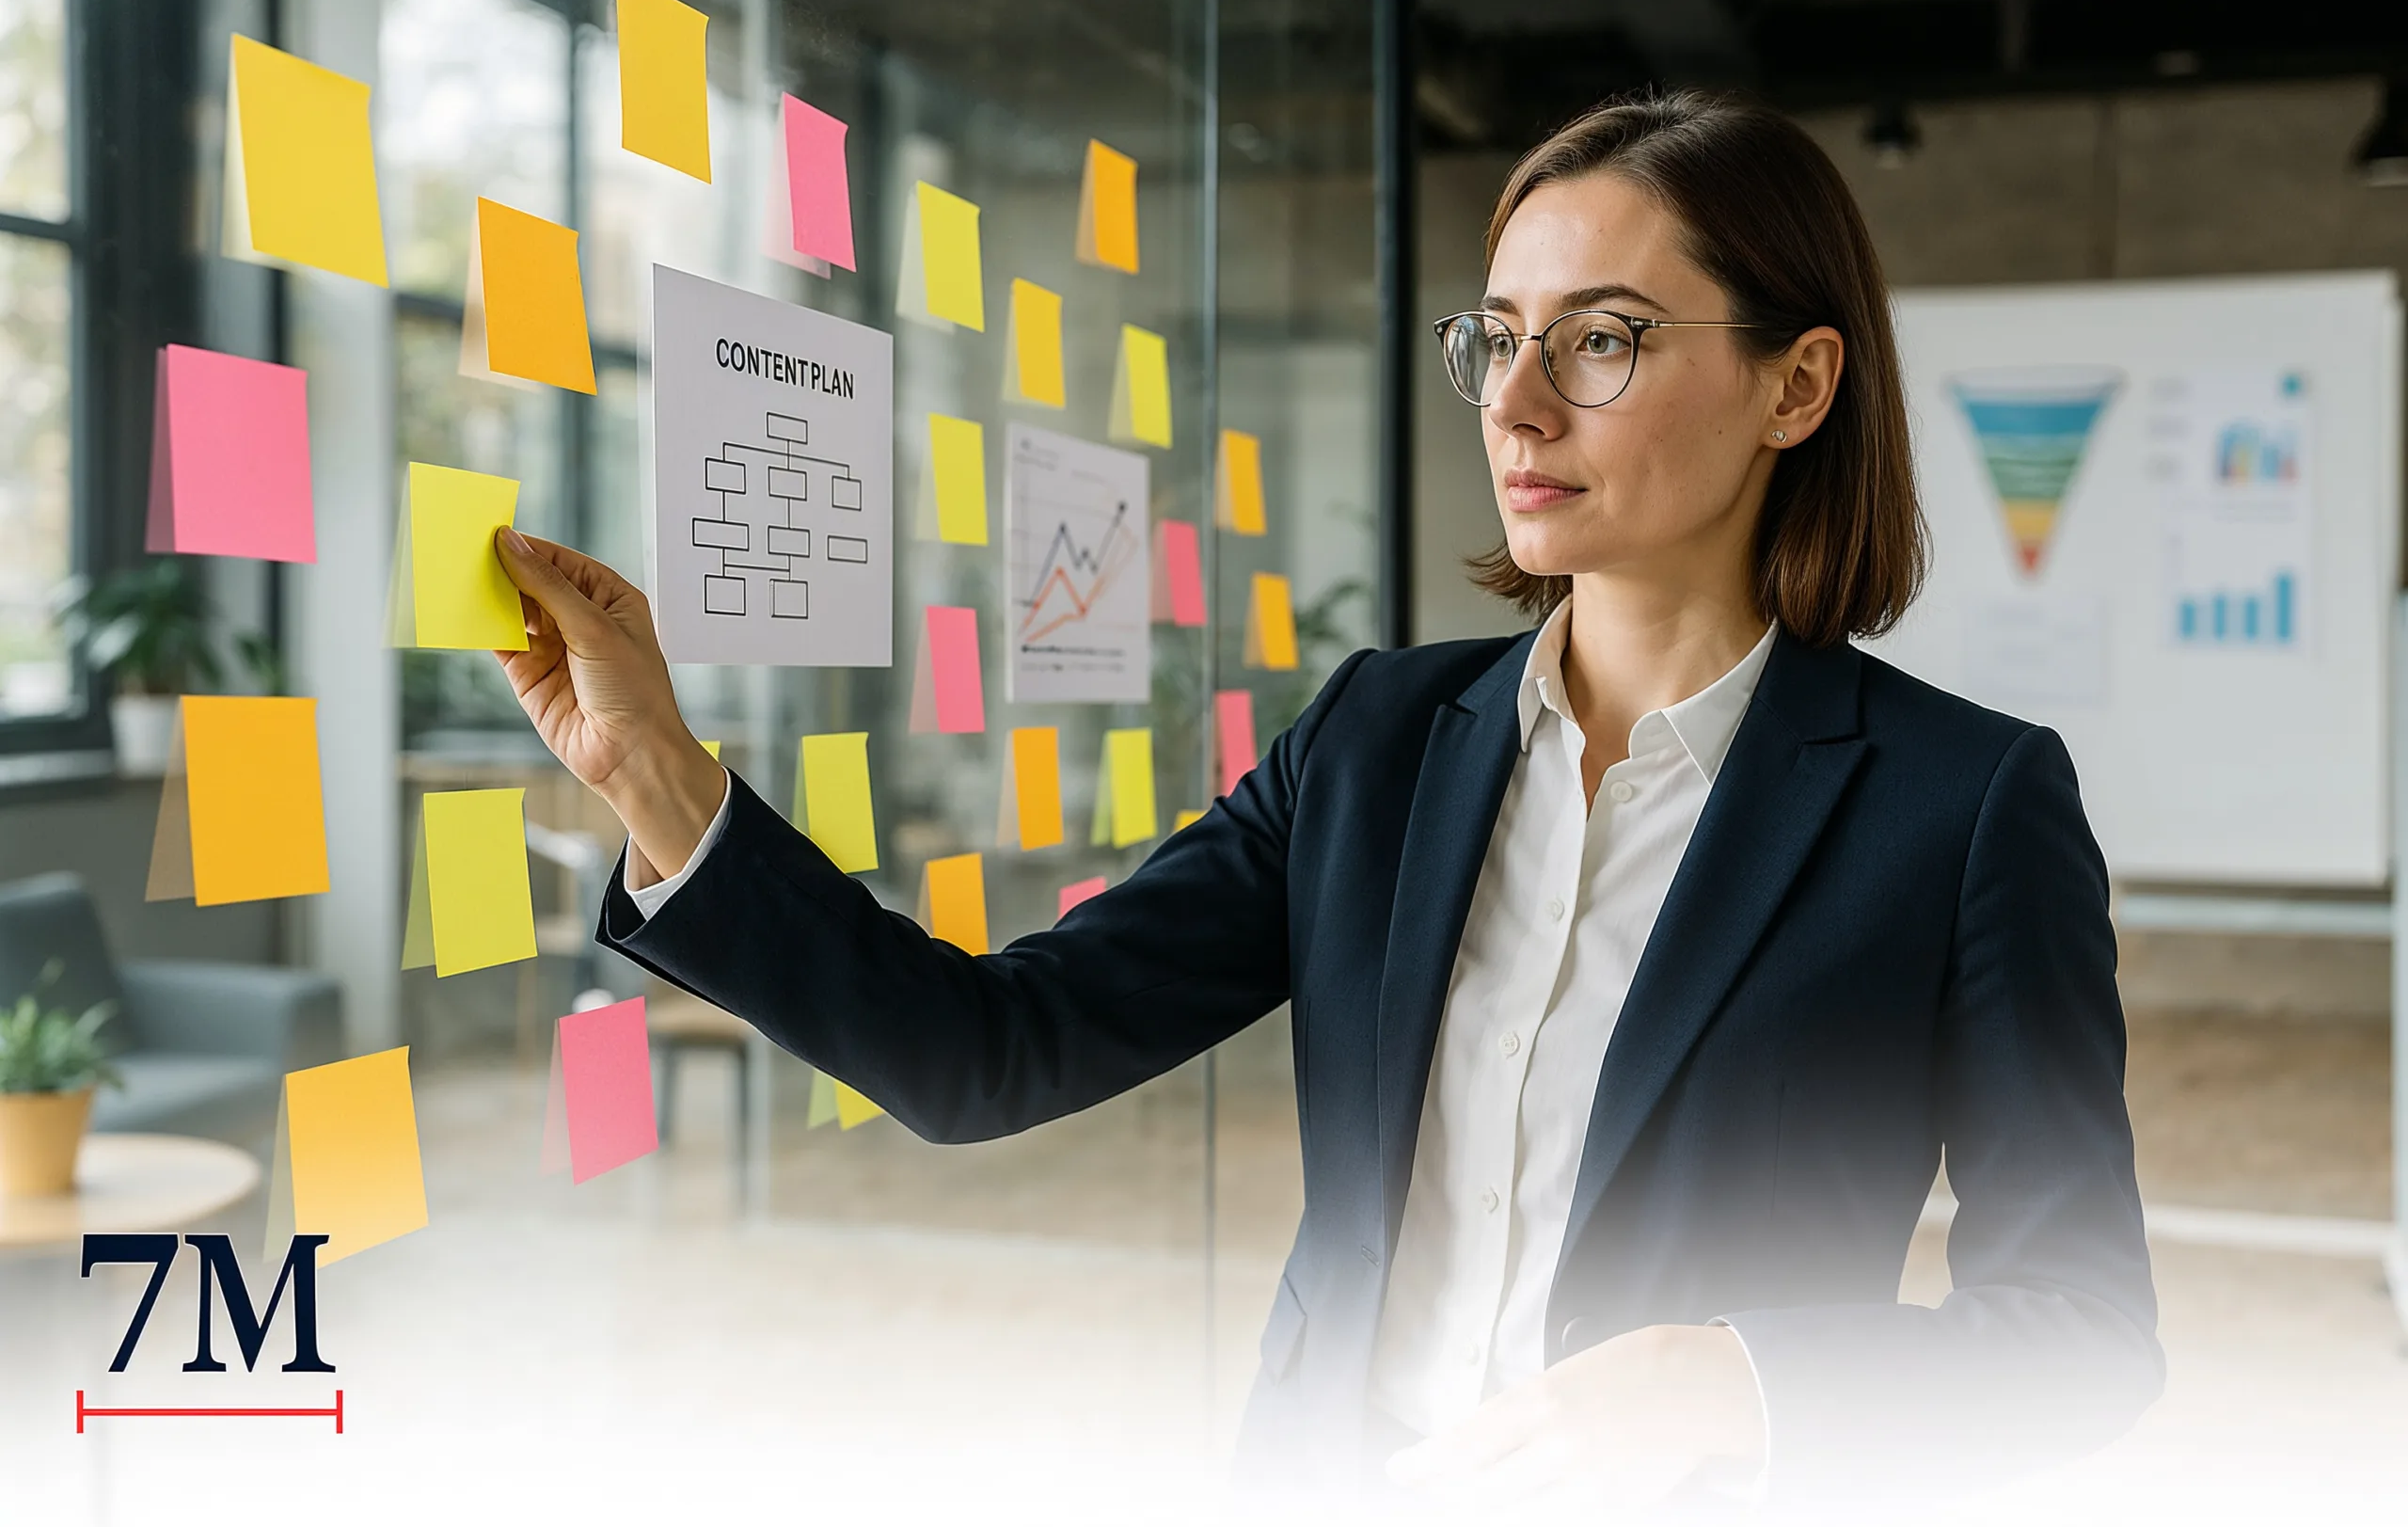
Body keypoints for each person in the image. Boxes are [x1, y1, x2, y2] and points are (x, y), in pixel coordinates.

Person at [488, 91, 2162, 1511]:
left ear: (1799, 387)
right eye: (1497, 340)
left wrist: (1743, 1382)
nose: (1514, 401)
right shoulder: (1376, 738)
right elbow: (983, 1050)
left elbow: (2081, 1330)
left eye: (1602, 341)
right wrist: (657, 775)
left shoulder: (1963, 805)